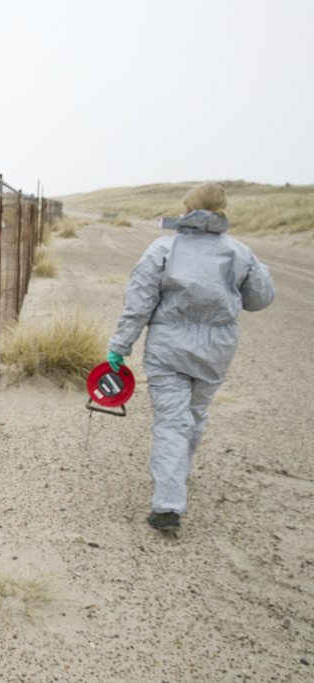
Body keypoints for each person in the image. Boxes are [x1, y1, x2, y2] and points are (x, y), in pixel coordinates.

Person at [106, 183, 275, 531]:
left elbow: (139, 303)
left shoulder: (165, 247)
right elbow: (260, 298)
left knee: (172, 420)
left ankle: (168, 503)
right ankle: (177, 477)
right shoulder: (240, 252)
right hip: (217, 349)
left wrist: (120, 347)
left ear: (186, 208)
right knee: (194, 414)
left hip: (168, 348)